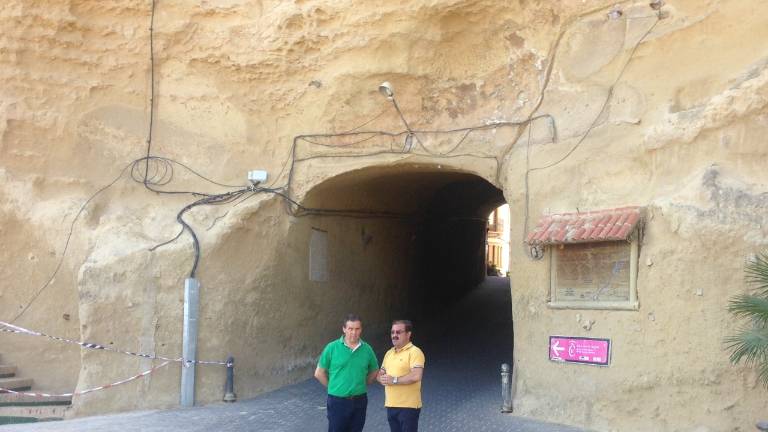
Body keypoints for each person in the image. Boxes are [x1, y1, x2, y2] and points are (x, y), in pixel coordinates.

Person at [315, 314, 379, 432]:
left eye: (357, 329)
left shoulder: (367, 349)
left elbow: (375, 370)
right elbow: (319, 373)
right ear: (344, 329)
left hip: (360, 400)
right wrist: (333, 387)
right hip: (337, 401)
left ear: (361, 329)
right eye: (350, 329)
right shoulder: (332, 347)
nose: (353, 332)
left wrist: (364, 383)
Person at [377, 319, 425, 432]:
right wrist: (381, 379)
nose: (394, 335)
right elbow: (380, 374)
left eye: (398, 332)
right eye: (392, 332)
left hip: (408, 407)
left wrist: (393, 380)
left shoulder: (415, 352)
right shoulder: (389, 353)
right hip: (391, 405)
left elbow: (416, 376)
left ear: (408, 334)